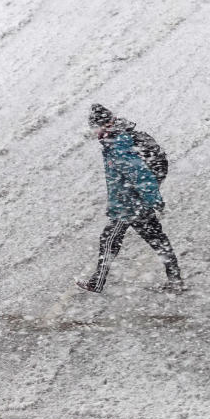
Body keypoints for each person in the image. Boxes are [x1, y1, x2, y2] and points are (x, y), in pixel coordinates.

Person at [77, 104, 183, 293]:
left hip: (127, 206)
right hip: (135, 203)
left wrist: (154, 200)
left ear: (105, 124)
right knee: (158, 240)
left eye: (95, 127)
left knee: (108, 241)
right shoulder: (119, 140)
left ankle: (97, 283)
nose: (94, 132)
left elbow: (140, 175)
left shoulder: (118, 144)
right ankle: (175, 281)